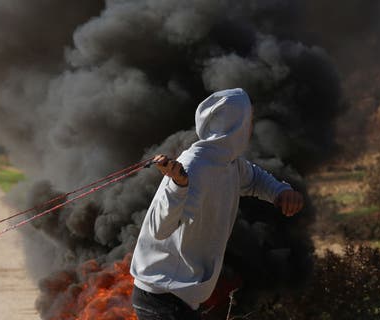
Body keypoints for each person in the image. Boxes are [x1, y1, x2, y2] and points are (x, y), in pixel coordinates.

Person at [130, 88, 304, 319]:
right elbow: (158, 228)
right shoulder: (194, 166)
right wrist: (178, 186)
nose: (250, 128)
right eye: (248, 121)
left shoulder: (228, 163)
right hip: (161, 295)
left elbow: (254, 178)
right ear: (236, 126)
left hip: (179, 296)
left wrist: (280, 192)